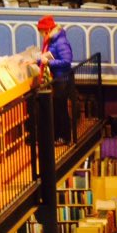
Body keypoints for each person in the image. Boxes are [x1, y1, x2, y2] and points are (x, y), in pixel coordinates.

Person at [36, 15, 75, 143]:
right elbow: (49, 56)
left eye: (42, 33)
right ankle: (58, 136)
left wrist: (49, 63)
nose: (42, 36)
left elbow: (67, 61)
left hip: (62, 79)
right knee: (57, 108)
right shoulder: (53, 40)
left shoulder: (60, 42)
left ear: (47, 31)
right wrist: (37, 61)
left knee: (60, 109)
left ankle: (64, 137)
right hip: (57, 78)